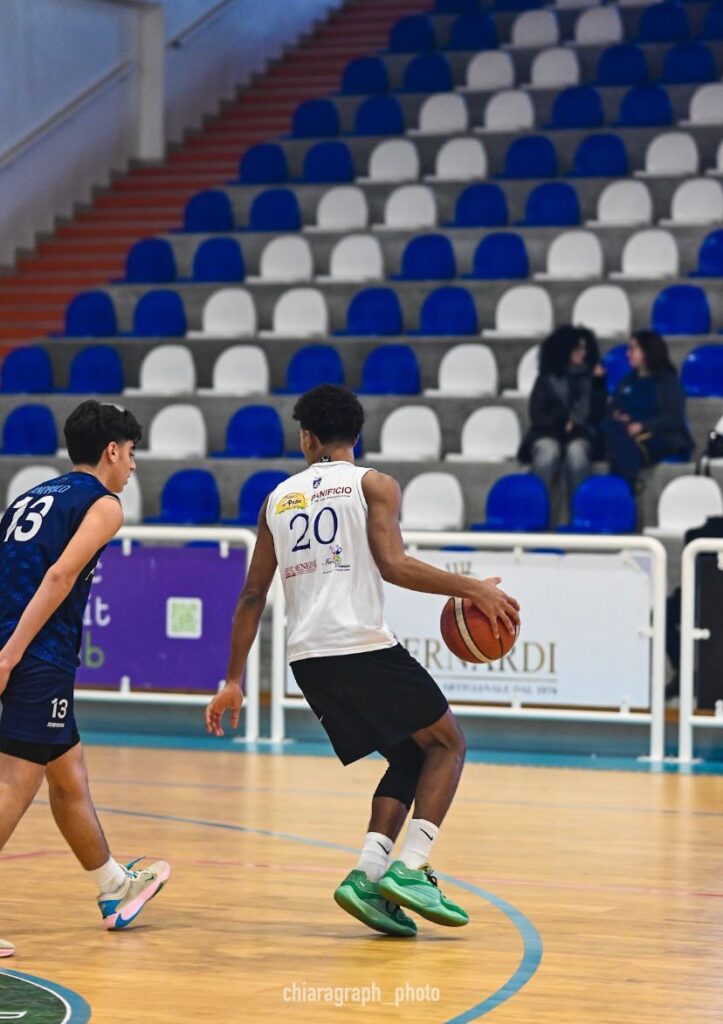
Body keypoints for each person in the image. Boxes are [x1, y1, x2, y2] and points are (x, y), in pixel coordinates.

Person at [206, 385, 520, 938]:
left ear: (306, 438)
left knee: (409, 756)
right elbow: (393, 565)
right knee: (448, 745)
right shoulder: (374, 484)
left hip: (309, 661)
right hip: (360, 645)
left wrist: (233, 678)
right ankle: (413, 867)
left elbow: (252, 596)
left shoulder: (276, 499)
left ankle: (368, 876)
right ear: (358, 435)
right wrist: (474, 588)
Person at [0, 401, 169, 958]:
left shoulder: (30, 496)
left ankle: (115, 886)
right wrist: (10, 657)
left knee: (68, 774)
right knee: (13, 784)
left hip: (17, 647)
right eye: (132, 453)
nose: (134, 465)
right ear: (112, 451)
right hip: (35, 655)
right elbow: (59, 575)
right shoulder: (103, 504)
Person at [518, 325, 607, 515]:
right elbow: (537, 414)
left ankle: (580, 514)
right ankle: (535, 511)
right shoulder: (546, 379)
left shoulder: (593, 379)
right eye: (578, 348)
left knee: (577, 454)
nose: (583, 353)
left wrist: (599, 384)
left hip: (581, 434)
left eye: (585, 348)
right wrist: (561, 423)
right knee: (548, 453)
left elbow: (598, 414)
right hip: (549, 432)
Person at [603, 330, 693, 491]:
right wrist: (617, 415)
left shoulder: (668, 381)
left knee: (620, 444)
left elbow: (674, 417)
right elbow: (612, 407)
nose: (628, 354)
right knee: (610, 427)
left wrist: (642, 426)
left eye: (633, 349)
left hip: (658, 436)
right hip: (625, 433)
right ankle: (627, 485)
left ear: (648, 351)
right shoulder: (627, 381)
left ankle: (624, 486)